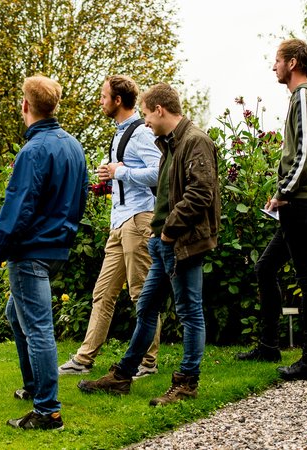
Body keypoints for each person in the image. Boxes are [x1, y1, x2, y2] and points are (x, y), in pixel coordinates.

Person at [78, 83, 220, 407]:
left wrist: (168, 232)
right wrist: (160, 234)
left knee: (189, 312)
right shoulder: (169, 143)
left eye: (146, 114)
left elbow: (200, 194)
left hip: (184, 243)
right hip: (163, 242)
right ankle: (122, 376)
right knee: (145, 308)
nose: (145, 122)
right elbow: (167, 193)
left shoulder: (196, 141)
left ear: (159, 109)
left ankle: (186, 384)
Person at [0, 75, 87, 430]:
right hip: (56, 248)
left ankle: (47, 409)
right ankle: (35, 386)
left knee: (37, 328)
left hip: (32, 251)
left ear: (25, 105)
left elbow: (15, 212)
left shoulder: (33, 150)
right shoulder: (73, 146)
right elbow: (79, 200)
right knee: (14, 312)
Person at [236, 39, 307, 381]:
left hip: (305, 199)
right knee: (266, 268)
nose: (274, 67)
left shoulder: (305, 96)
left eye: (277, 60)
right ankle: (269, 345)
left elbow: (306, 152)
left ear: (293, 62)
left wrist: (283, 192)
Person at [59, 75, 162, 378]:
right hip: (119, 222)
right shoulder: (119, 134)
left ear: (118, 101)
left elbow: (159, 171)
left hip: (139, 220)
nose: (101, 101)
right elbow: (125, 172)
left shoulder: (141, 132)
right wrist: (111, 175)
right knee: (103, 293)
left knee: (142, 293)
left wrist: (122, 172)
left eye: (104, 96)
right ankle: (84, 358)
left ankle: (148, 361)